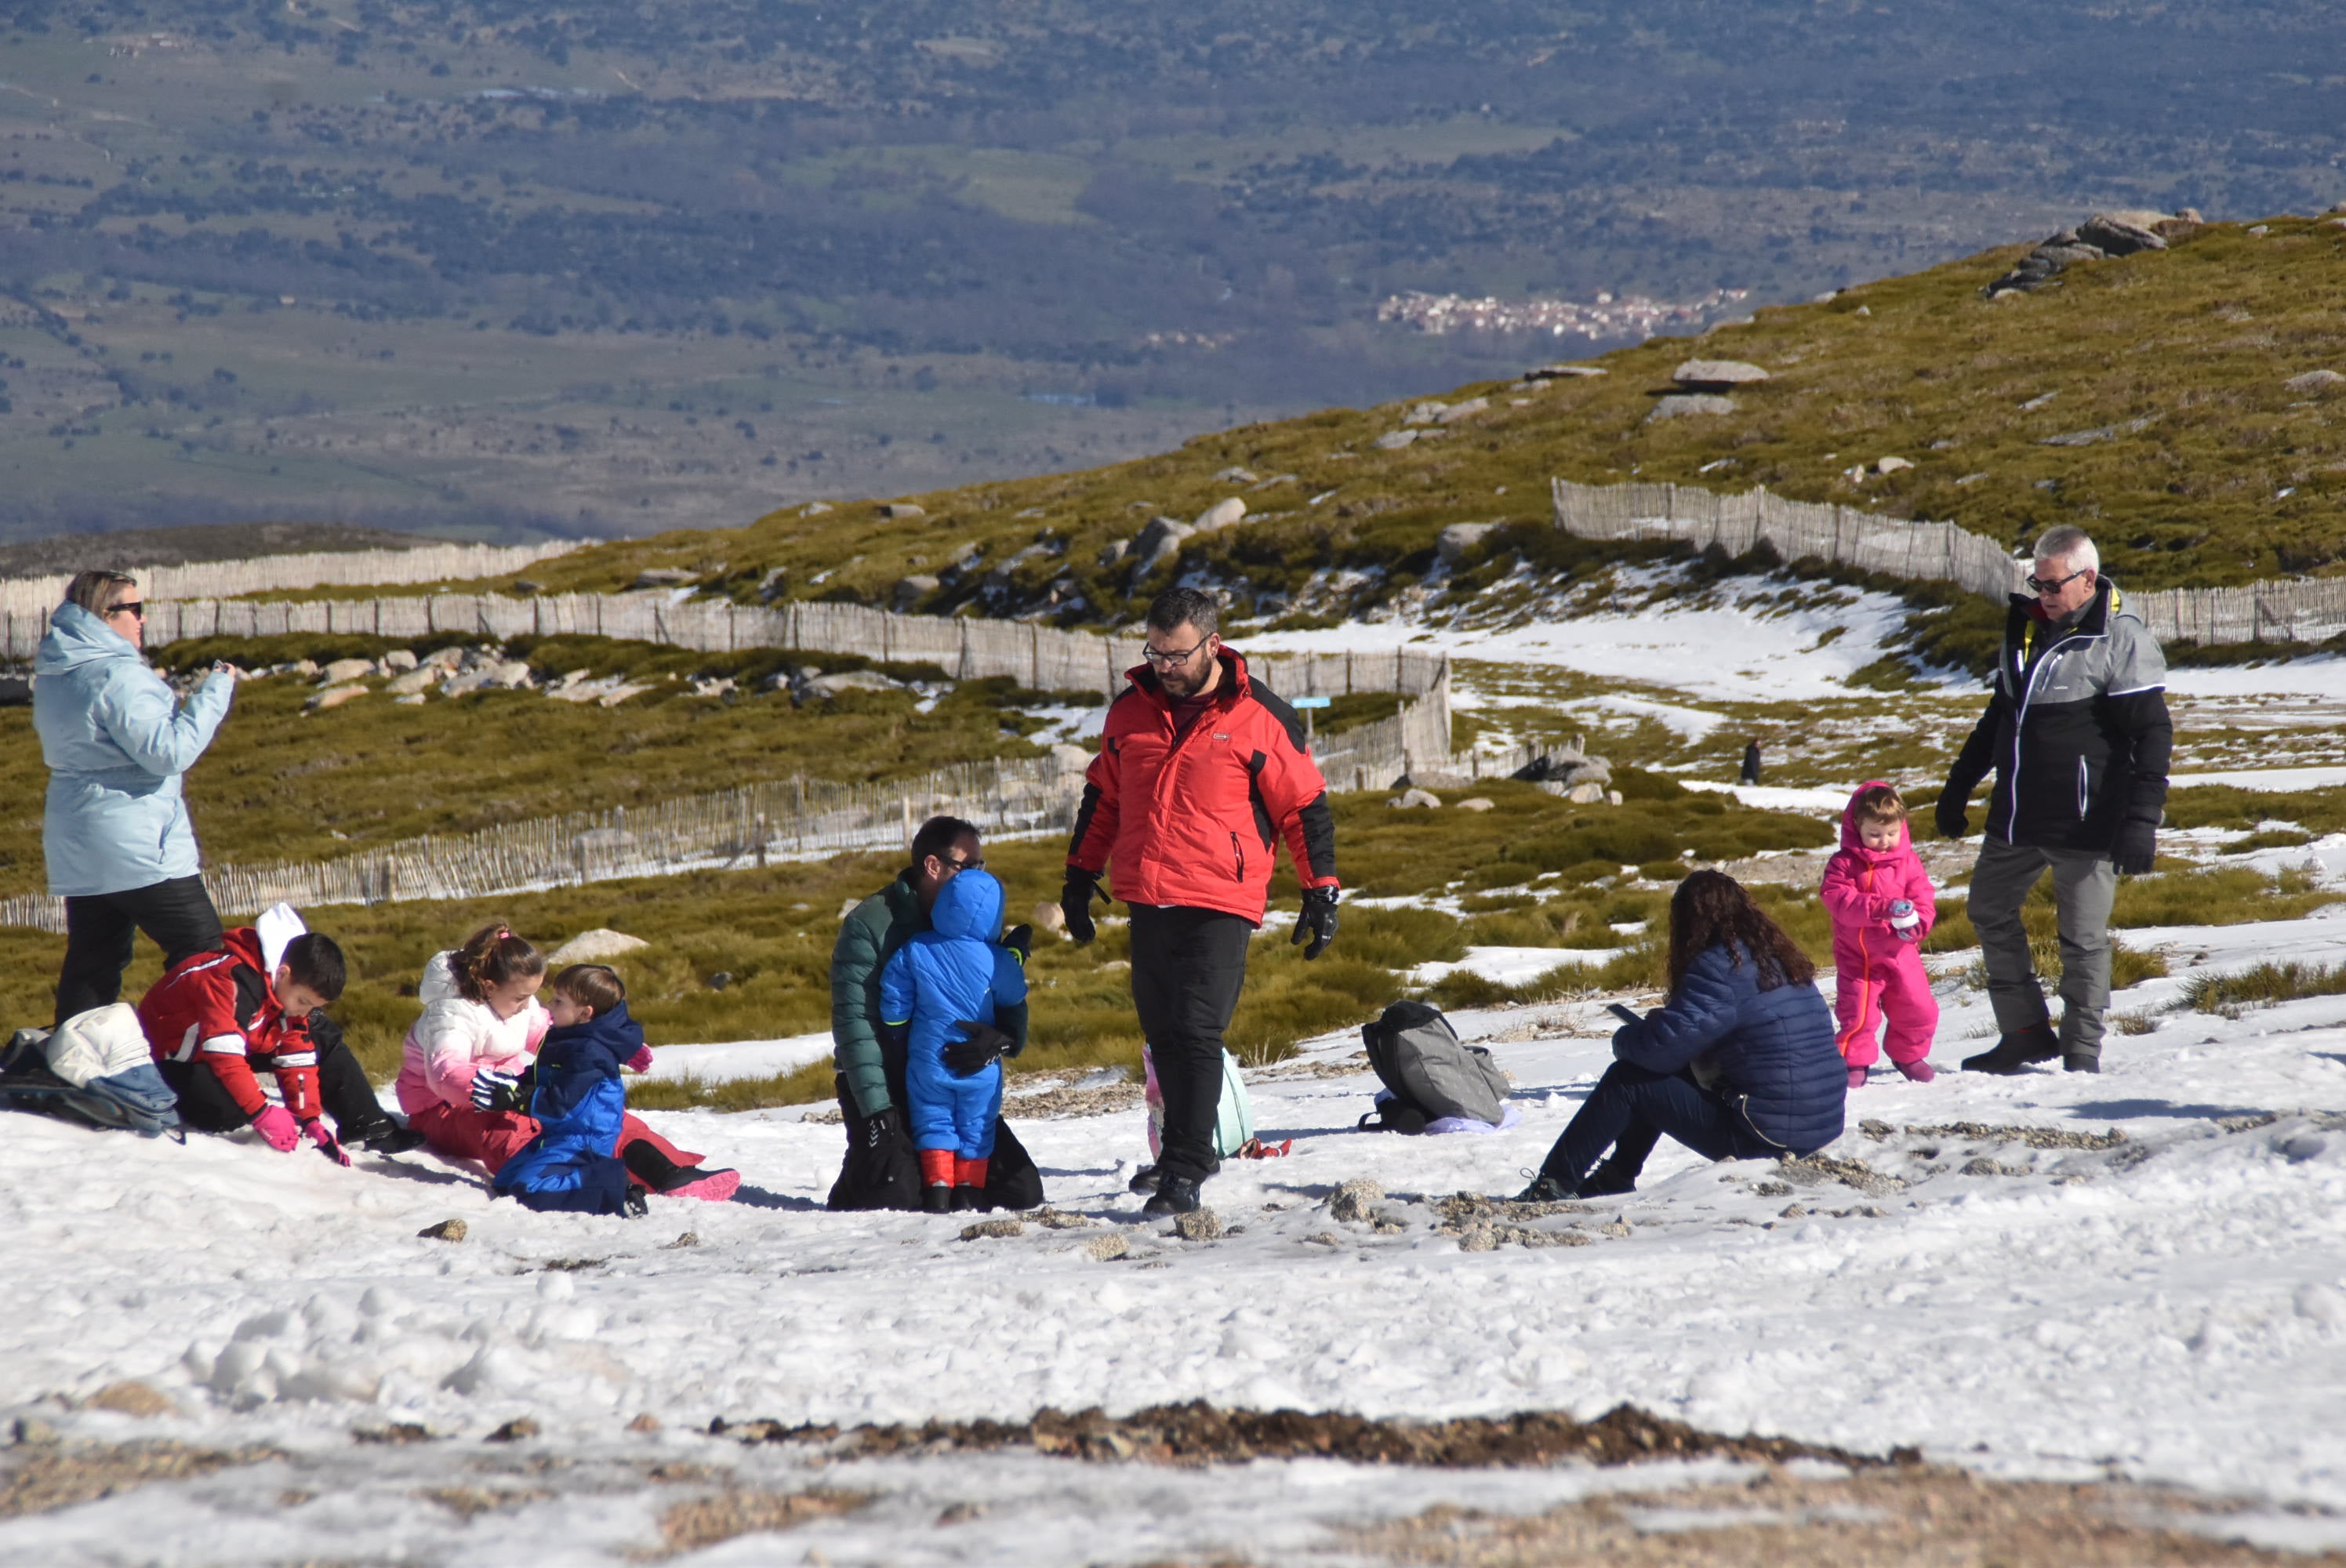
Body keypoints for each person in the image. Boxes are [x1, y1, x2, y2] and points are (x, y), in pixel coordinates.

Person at [1063, 586, 1340, 1217]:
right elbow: (1103, 799)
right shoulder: (1130, 712)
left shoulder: (1259, 715)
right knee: (1162, 1033)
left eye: (1177, 655)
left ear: (1213, 644)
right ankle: (1184, 1153)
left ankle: (1186, 1168)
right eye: (1155, 654)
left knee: (1195, 1030)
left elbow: (1303, 805)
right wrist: (1079, 876)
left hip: (1220, 897)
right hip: (1148, 896)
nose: (1165, 667)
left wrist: (1320, 890)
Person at [1936, 525, 2172, 1076]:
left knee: (2082, 939)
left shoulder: (2120, 638)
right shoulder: (2024, 628)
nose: (2041, 593)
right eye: (2036, 581)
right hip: (2016, 818)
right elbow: (1999, 717)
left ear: (2087, 578)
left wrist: (2141, 821)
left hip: (2086, 822)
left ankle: (2080, 1053)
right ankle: (2023, 1033)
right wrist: (1957, 786)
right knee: (1988, 910)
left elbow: (2152, 738)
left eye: (2052, 583)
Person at [1516, 870, 1845, 1200]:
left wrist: (1627, 1037)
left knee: (1628, 1079)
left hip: (1768, 1137)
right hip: (1819, 1127)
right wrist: (1668, 1026)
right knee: (1659, 1073)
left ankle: (1553, 1185)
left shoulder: (1718, 968)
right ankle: (1613, 1177)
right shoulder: (1778, 960)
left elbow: (1659, 1051)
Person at [398, 921, 735, 1201]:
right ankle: (575, 1180)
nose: (529, 1004)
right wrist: (507, 1094)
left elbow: (550, 1038)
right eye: (520, 997)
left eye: (534, 995)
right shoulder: (450, 1016)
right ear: (488, 986)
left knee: (593, 1116)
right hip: (443, 1108)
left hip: (510, 1089)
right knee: (512, 1129)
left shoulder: (519, 1003)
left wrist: (606, 1045)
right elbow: (446, 1075)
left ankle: (670, 1172)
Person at [34, 568, 238, 1025]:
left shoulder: (57, 671)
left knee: (95, 959)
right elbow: (169, 753)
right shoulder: (118, 674)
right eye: (136, 610)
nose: (143, 621)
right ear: (106, 614)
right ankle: (195, 1058)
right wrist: (214, 694)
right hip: (137, 839)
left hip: (78, 838)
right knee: (201, 949)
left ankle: (76, 1062)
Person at [827, 815, 1042, 1212]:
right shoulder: (870, 924)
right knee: (897, 1197)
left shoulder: (972, 915)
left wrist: (1002, 1040)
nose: (979, 875)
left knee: (1022, 1192)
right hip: (886, 1081)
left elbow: (1004, 995)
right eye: (970, 865)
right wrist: (877, 1108)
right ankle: (864, 1168)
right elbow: (854, 1025)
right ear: (933, 866)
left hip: (955, 1078)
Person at [136, 903, 421, 1160]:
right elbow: (223, 1053)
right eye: (304, 1002)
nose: (304, 1011)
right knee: (229, 1116)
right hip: (175, 1059)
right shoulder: (227, 978)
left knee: (321, 1034)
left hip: (231, 1046)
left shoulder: (284, 993)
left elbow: (296, 1052)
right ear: (283, 973)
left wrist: (308, 1118)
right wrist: (261, 1112)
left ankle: (367, 1126)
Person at [878, 867, 1029, 1211]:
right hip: (981, 1064)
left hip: (929, 1057)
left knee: (933, 1119)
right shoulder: (995, 959)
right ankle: (969, 1190)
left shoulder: (916, 948)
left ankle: (938, 1189)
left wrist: (897, 1025)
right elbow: (1014, 994)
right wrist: (1014, 958)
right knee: (977, 1126)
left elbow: (894, 995)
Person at [492, 964, 658, 1217]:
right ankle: (590, 1177)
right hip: (558, 1134)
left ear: (585, 1013)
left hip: (584, 1140)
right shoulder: (564, 1037)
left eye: (559, 1001)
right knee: (505, 1182)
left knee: (530, 1188)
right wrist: (509, 1086)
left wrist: (519, 1099)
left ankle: (611, 1182)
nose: (549, 1005)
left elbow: (562, 1102)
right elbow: (542, 1076)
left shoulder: (589, 1052)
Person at [1821, 783, 1939, 1088]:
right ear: (1856, 827)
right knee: (1858, 1014)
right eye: (1875, 834)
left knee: (1918, 1007)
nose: (1884, 842)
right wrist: (1883, 907)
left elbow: (1924, 898)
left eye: (1891, 833)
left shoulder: (1908, 862)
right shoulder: (1844, 863)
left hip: (1900, 953)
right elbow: (1839, 901)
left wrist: (1918, 923)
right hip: (1857, 958)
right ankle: (1854, 1063)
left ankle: (1908, 1055)